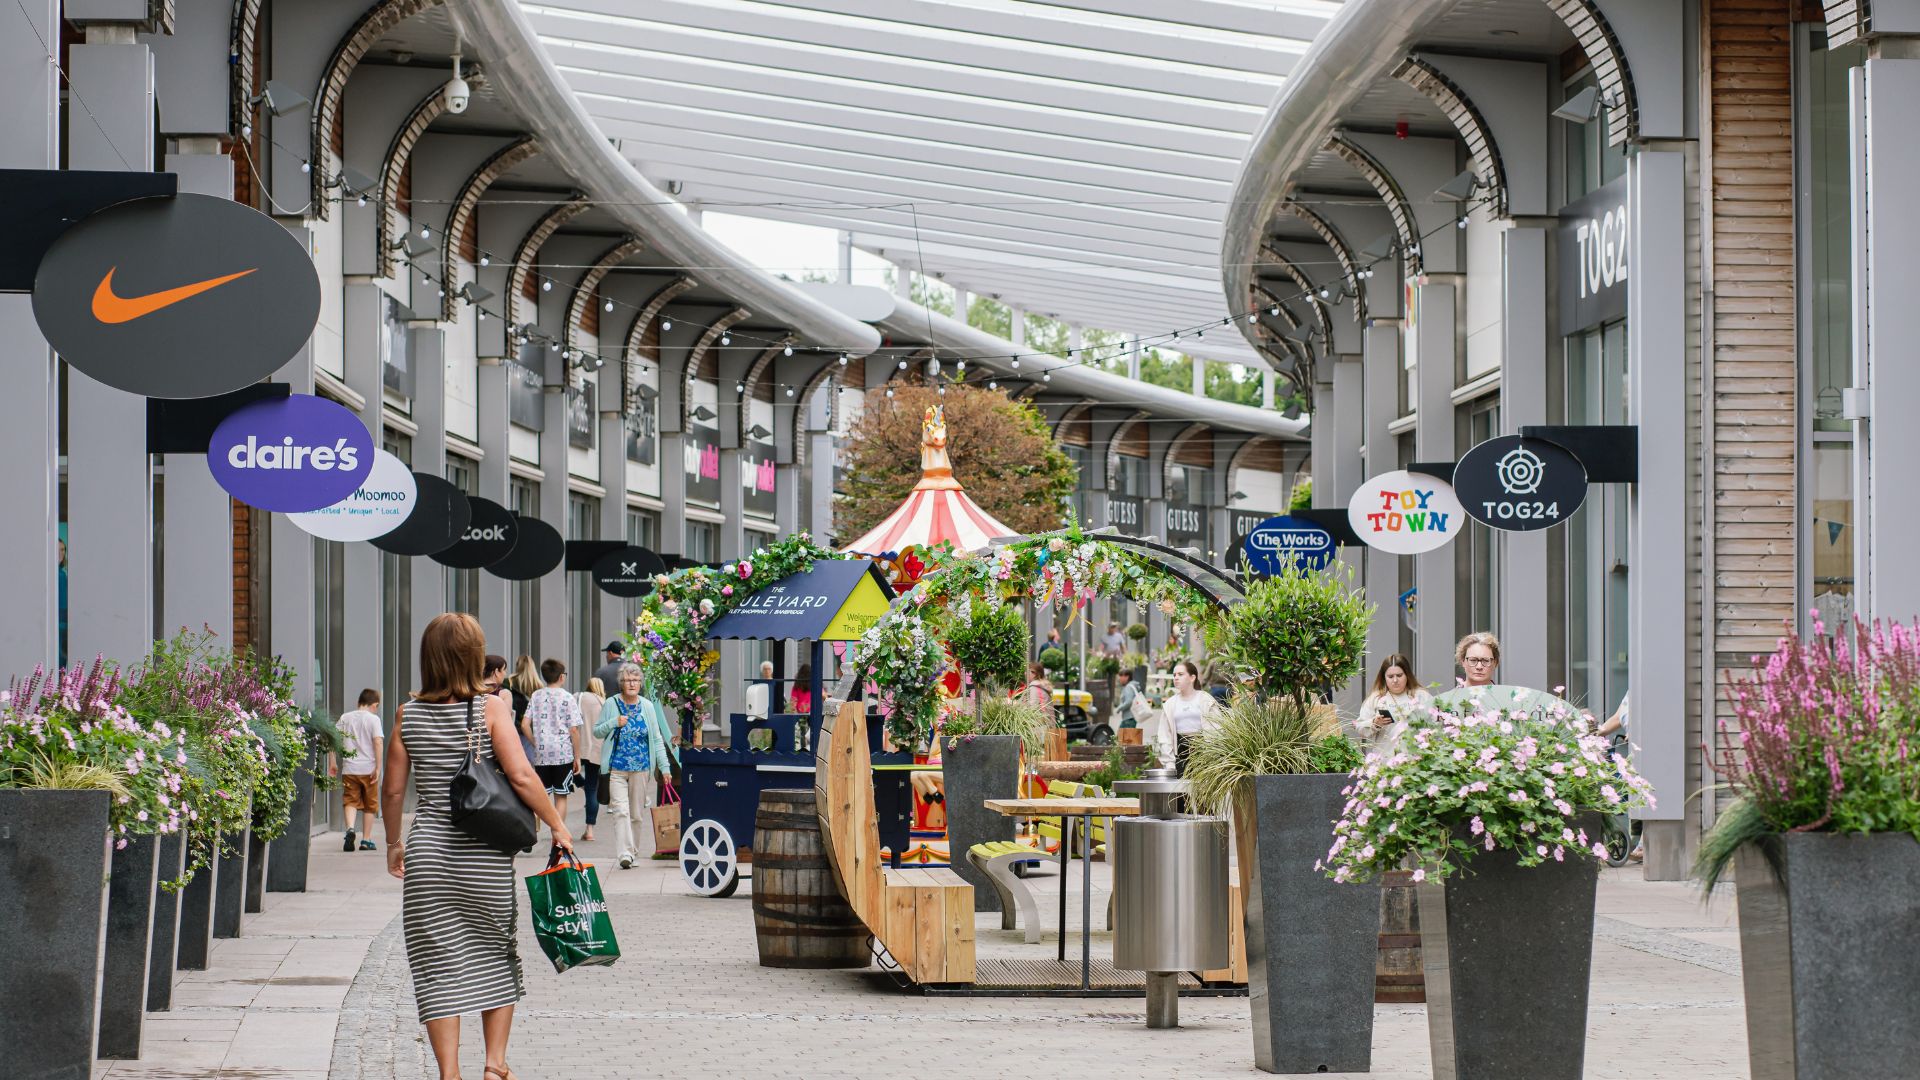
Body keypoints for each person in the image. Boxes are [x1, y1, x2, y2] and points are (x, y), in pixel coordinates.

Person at [382, 612, 572, 1080]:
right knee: (495, 952)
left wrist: (393, 843)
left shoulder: (407, 715)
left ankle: (449, 1073)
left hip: (429, 856)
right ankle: (494, 1064)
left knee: (436, 962)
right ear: (474, 656)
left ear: (428, 658)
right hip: (484, 857)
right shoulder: (489, 709)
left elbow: (392, 790)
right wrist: (556, 825)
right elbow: (522, 776)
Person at [594, 662, 681, 869]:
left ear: (640, 683)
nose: (632, 683)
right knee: (620, 811)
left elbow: (657, 739)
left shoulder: (647, 707)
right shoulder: (611, 704)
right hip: (616, 768)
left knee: (636, 815)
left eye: (635, 680)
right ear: (621, 683)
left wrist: (665, 767)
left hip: (641, 768)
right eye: (627, 680)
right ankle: (624, 853)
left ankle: (633, 852)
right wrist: (614, 722)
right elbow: (597, 731)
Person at [521, 659, 583, 846]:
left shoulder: (536, 696)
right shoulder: (568, 697)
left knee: (540, 795)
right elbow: (574, 730)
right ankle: (558, 835)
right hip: (563, 753)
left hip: (542, 754)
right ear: (562, 677)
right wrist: (577, 756)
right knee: (561, 795)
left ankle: (528, 832)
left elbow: (524, 724)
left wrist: (535, 742)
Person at [332, 688, 384, 852]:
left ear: (359, 702)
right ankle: (366, 840)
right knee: (370, 805)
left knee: (350, 801)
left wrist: (332, 763)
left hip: (349, 769)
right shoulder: (374, 719)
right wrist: (378, 767)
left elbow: (332, 738)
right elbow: (378, 742)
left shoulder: (345, 718)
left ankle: (350, 829)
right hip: (368, 769)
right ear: (374, 705)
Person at [1356, 654, 1433, 753]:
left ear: (1407, 675)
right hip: (1385, 758)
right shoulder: (1376, 698)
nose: (1395, 680)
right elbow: (1360, 727)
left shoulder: (1421, 696)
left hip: (1416, 757)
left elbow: (1437, 722)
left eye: (1399, 675)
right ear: (1384, 678)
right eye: (1390, 676)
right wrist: (1375, 723)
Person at [1164, 659, 1221, 777]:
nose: (1176, 678)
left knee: (1203, 786)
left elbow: (1217, 727)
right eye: (1174, 675)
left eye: (1180, 674)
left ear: (1192, 678)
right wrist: (1169, 762)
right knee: (1181, 787)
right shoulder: (1170, 704)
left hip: (1204, 751)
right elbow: (1165, 735)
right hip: (1180, 752)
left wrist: (1214, 754)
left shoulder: (1206, 699)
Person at [575, 677, 607, 843]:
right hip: (596, 749)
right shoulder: (604, 703)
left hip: (578, 747)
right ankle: (590, 830)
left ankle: (580, 783)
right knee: (592, 789)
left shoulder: (578, 697)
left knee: (568, 774)